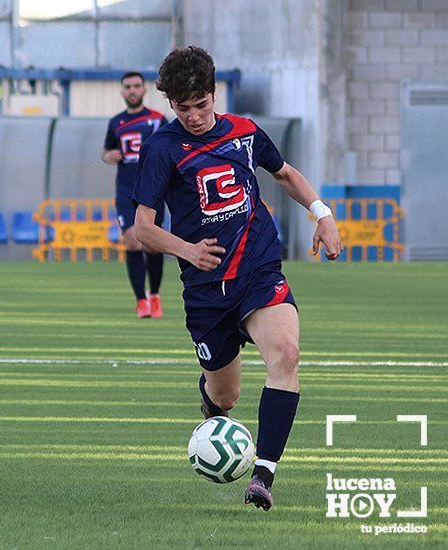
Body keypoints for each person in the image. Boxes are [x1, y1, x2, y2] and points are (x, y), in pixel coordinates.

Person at [132, 46, 343, 511]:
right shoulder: (162, 149)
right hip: (207, 292)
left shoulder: (245, 132)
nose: (192, 116)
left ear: (213, 93)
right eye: (181, 108)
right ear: (171, 105)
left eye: (200, 105)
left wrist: (321, 214)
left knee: (286, 354)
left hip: (258, 270)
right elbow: (143, 227)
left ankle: (263, 476)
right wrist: (187, 250)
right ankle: (211, 406)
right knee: (226, 394)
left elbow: (284, 173)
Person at [102, 72, 168, 318]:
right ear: (122, 91)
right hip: (126, 192)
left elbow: (171, 148)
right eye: (127, 87)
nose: (132, 90)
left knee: (152, 245)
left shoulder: (158, 120)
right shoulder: (116, 123)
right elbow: (106, 151)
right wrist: (108, 156)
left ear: (144, 90)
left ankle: (155, 295)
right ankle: (141, 300)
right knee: (132, 240)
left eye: (136, 86)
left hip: (153, 192)